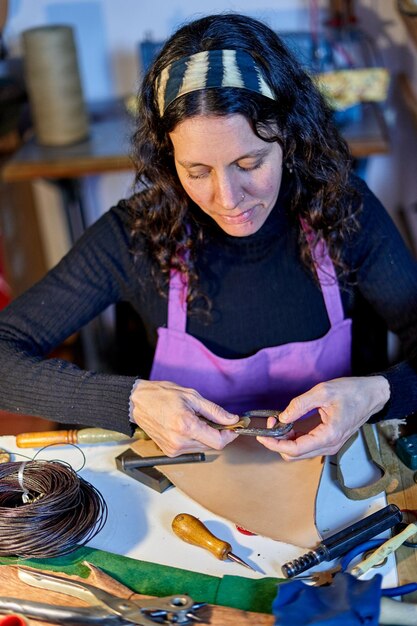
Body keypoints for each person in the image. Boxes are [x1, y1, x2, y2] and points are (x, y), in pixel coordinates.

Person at [0, 13, 416, 462]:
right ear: (168, 158)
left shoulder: (342, 212)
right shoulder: (136, 236)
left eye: (250, 163)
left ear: (289, 138)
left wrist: (380, 392)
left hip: (333, 478)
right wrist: (131, 401)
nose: (228, 198)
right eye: (197, 171)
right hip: (188, 494)